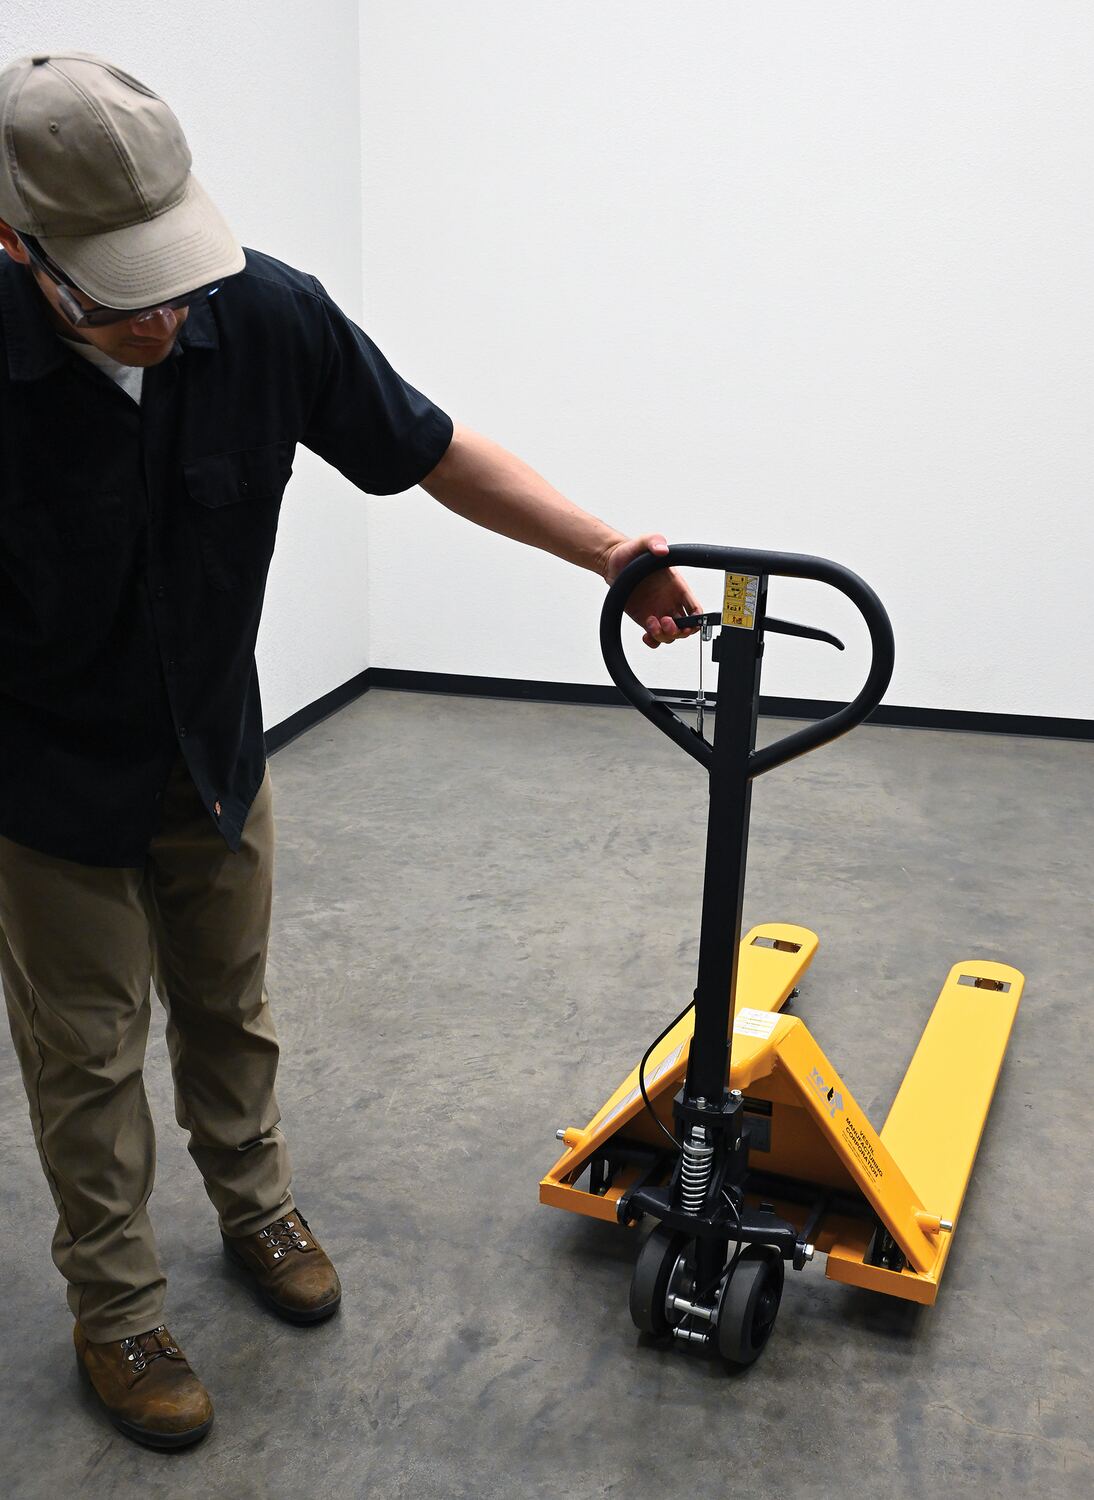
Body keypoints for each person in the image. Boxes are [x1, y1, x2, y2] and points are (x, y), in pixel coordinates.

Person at [0, 52, 699, 1450]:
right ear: (21, 246)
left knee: (230, 1006)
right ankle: (118, 1307)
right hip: (44, 777)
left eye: (177, 277)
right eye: (126, 294)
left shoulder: (265, 313)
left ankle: (255, 1209)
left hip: (212, 751)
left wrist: (608, 554)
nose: (166, 316)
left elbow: (431, 450)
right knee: (86, 1055)